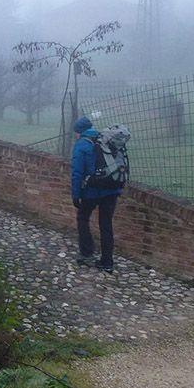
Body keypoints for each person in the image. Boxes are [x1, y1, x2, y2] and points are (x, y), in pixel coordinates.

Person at [71, 115, 122, 273]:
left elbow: (77, 173)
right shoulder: (104, 140)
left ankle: (87, 253)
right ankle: (107, 262)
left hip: (91, 191)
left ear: (79, 132)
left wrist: (76, 194)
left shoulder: (81, 145)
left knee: (83, 217)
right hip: (112, 189)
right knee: (106, 224)